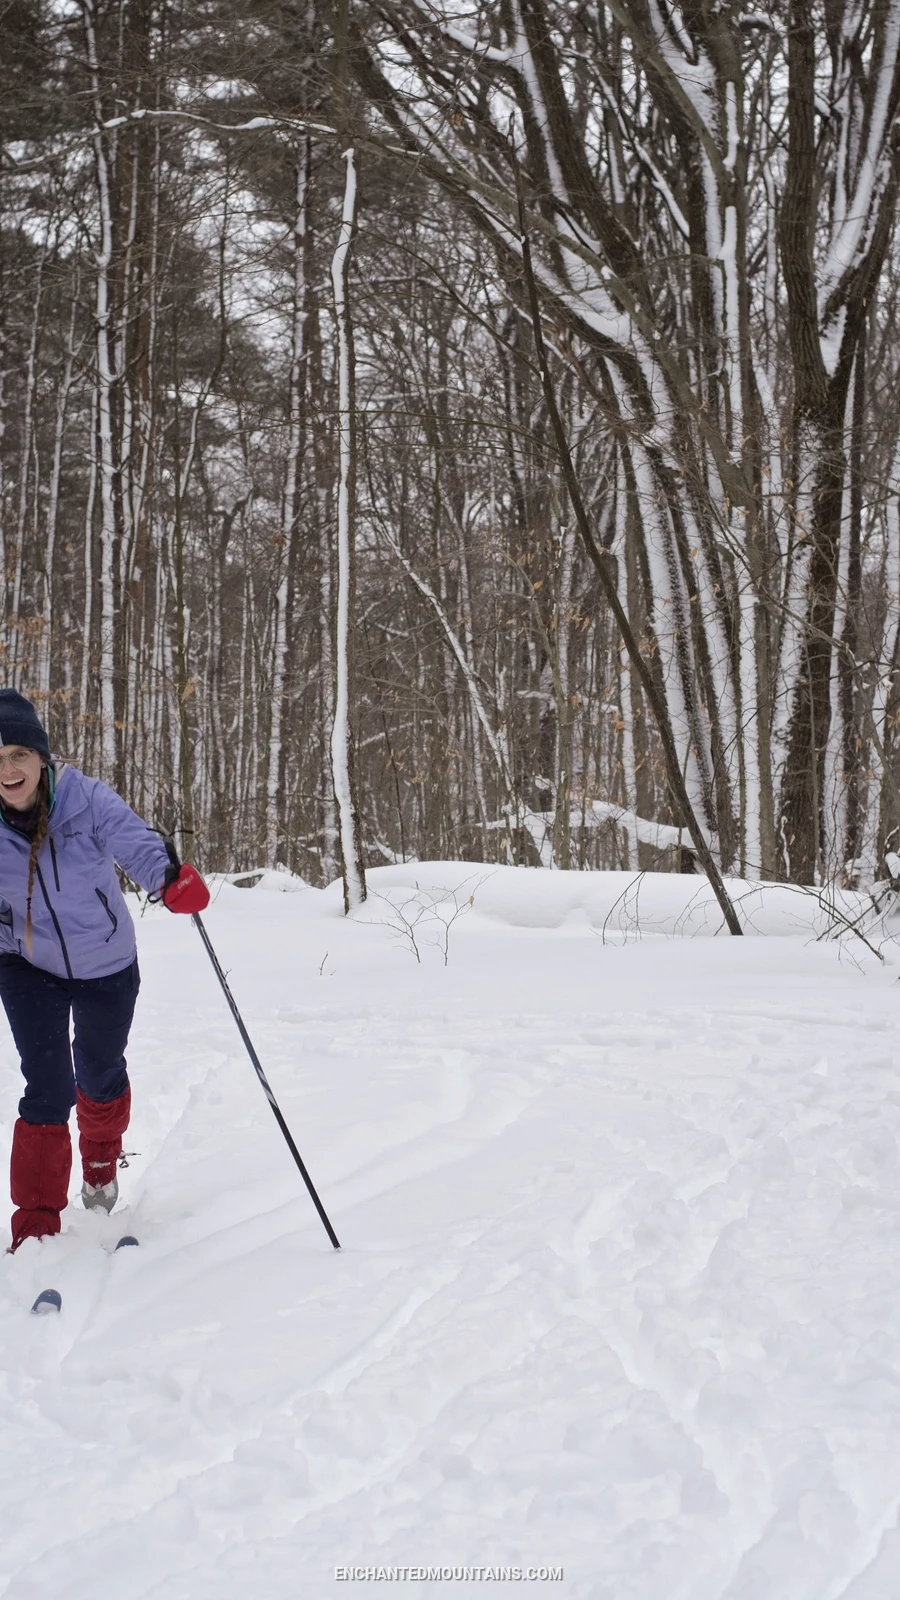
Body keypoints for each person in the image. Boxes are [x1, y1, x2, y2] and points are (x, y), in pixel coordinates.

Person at [0, 690, 209, 1251]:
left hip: (105, 962)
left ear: (41, 756)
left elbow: (135, 843)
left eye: (18, 752)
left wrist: (168, 881)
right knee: (45, 1085)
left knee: (98, 1070)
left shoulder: (83, 799)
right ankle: (37, 1225)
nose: (7, 769)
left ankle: (98, 1162)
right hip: (27, 962)